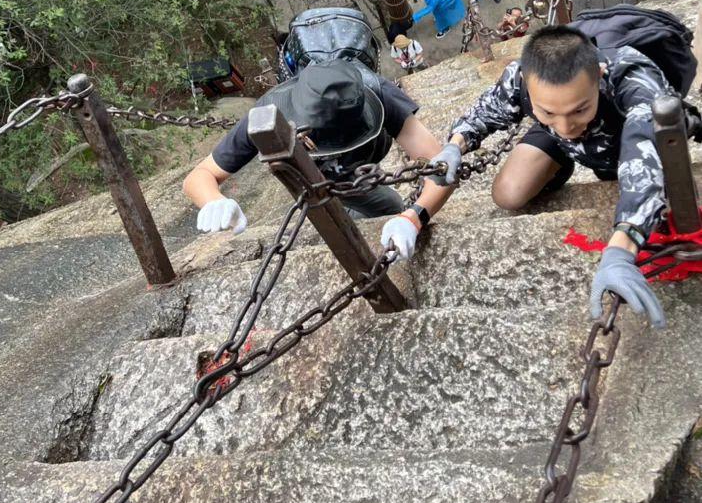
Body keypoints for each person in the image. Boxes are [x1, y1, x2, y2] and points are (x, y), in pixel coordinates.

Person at [429, 25, 676, 329]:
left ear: (598, 76)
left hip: (620, 143)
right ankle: (558, 164)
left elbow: (645, 151)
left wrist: (621, 248)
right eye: (548, 111)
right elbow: (483, 112)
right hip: (560, 146)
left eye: (578, 109)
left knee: (621, 179)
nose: (565, 124)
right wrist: (454, 147)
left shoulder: (633, 77)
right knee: (508, 193)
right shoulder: (520, 77)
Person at [183, 60, 455, 261]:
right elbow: (201, 175)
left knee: (392, 205)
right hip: (310, 178)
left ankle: (355, 212)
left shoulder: (377, 92)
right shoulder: (268, 114)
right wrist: (214, 201)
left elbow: (439, 165)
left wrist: (413, 218)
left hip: (358, 173)